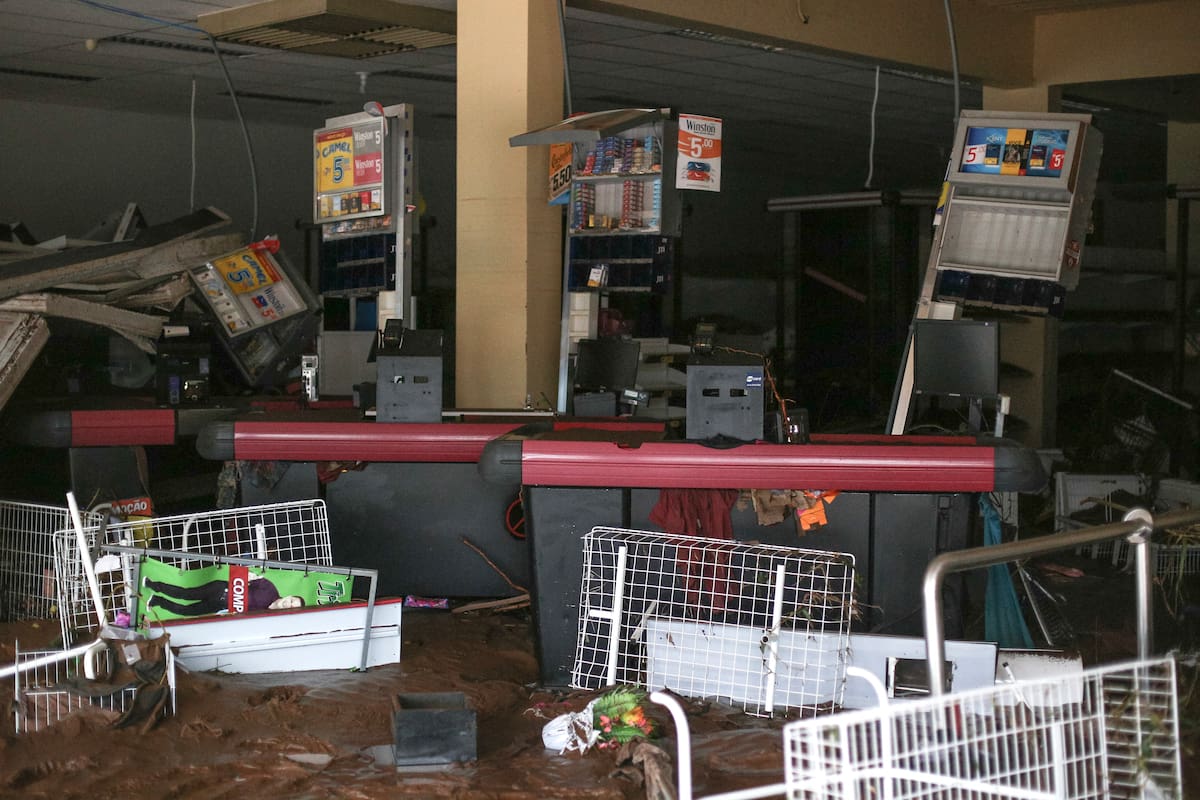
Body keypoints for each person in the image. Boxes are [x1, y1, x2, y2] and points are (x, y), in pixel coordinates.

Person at [143, 572, 304, 617]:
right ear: (289, 596)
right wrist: (250, 577)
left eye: (292, 607)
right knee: (186, 594)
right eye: (292, 601)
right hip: (220, 589)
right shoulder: (270, 589)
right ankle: (152, 585)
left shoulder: (266, 616)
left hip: (219, 605)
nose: (288, 604)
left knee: (187, 612)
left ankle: (157, 601)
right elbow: (251, 577)